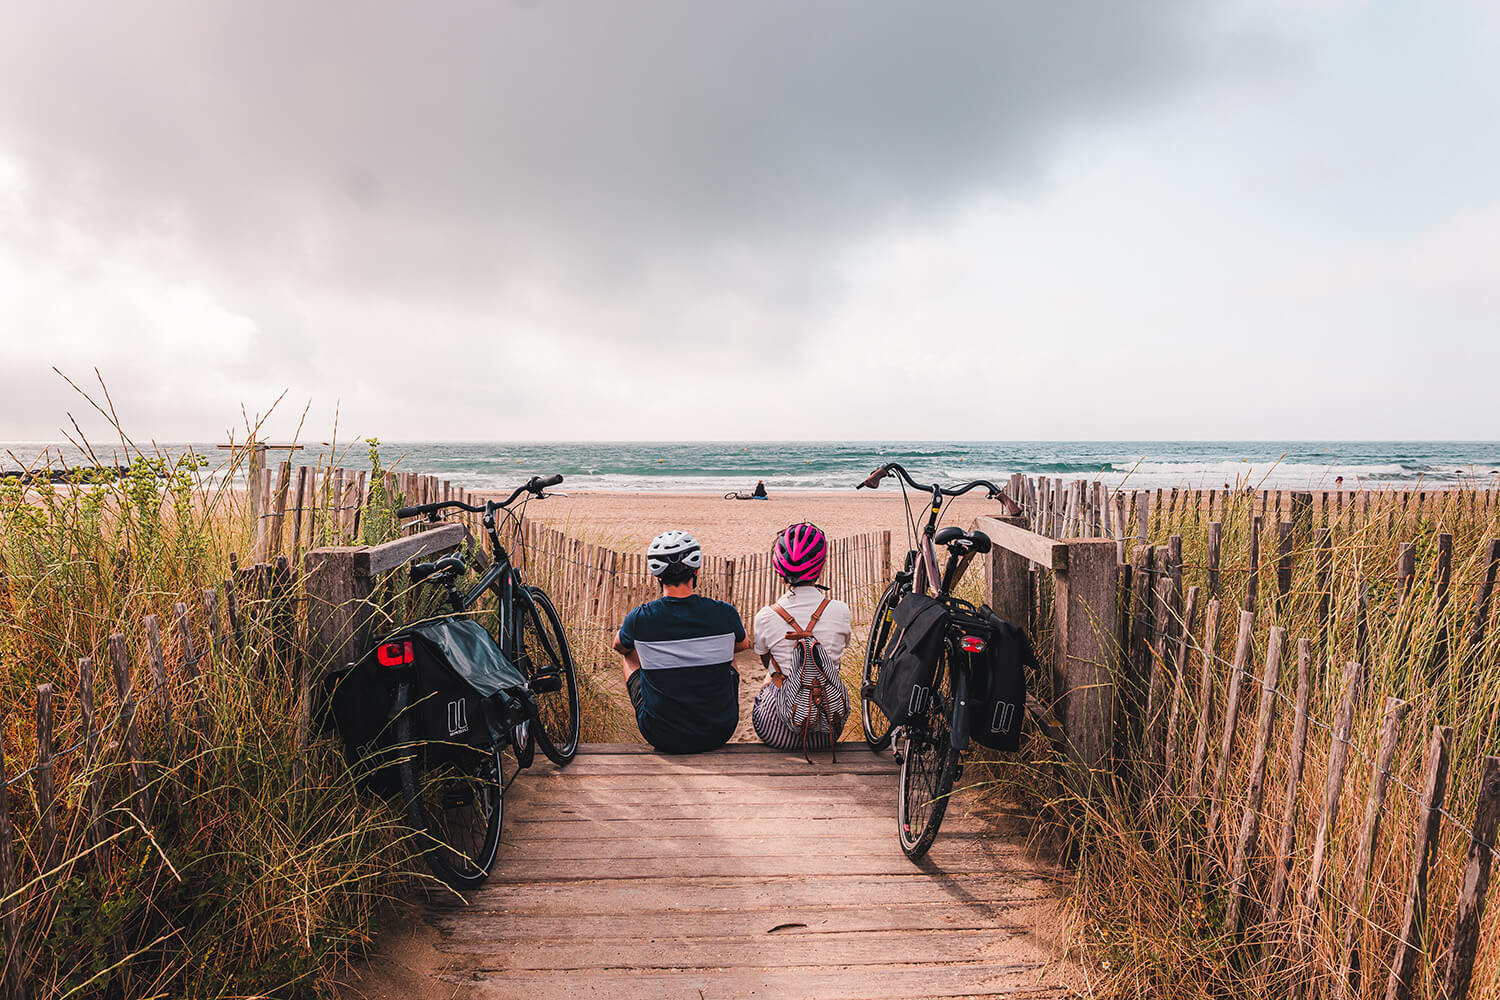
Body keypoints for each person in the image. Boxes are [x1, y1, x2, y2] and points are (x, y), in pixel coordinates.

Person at [614, 529, 747, 754]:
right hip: (719, 731)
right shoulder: (725, 613)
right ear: (696, 570)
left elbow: (619, 645)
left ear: (658, 576)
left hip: (661, 735)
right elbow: (743, 645)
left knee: (629, 654)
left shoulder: (640, 618)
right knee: (729, 657)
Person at [751, 522, 852, 750]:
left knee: (770, 679)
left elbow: (766, 661)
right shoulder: (840, 610)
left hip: (776, 732)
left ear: (779, 569)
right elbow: (839, 655)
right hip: (829, 726)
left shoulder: (766, 616)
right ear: (821, 566)